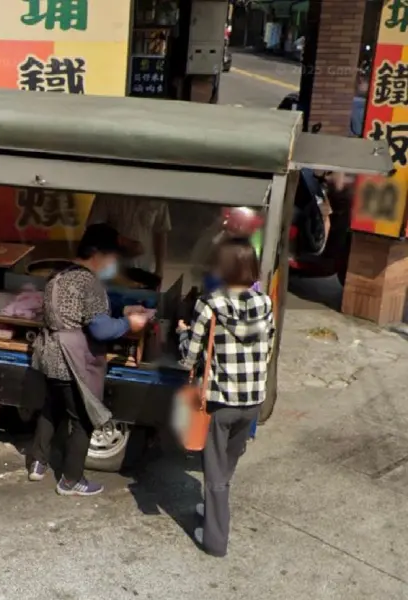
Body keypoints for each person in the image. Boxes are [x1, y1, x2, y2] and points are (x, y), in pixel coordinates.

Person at [29, 223, 149, 496]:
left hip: (48, 354)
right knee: (84, 418)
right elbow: (100, 329)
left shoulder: (58, 275)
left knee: (52, 408)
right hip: (71, 359)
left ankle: (37, 463)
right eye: (112, 257)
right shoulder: (90, 282)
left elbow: (78, 310)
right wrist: (129, 322)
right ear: (97, 253)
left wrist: (119, 309)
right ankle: (71, 480)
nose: (113, 263)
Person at [177, 238, 274, 557]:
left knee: (215, 473)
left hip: (223, 402)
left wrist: (181, 334)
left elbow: (190, 356)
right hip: (253, 402)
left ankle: (215, 541)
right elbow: (268, 348)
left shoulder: (210, 303)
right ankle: (212, 509)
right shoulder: (265, 303)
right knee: (227, 464)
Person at [86, 194, 171, 280]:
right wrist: (120, 245)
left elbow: (161, 232)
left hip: (143, 271)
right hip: (110, 272)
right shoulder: (109, 194)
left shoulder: (158, 198)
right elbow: (92, 232)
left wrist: (159, 270)